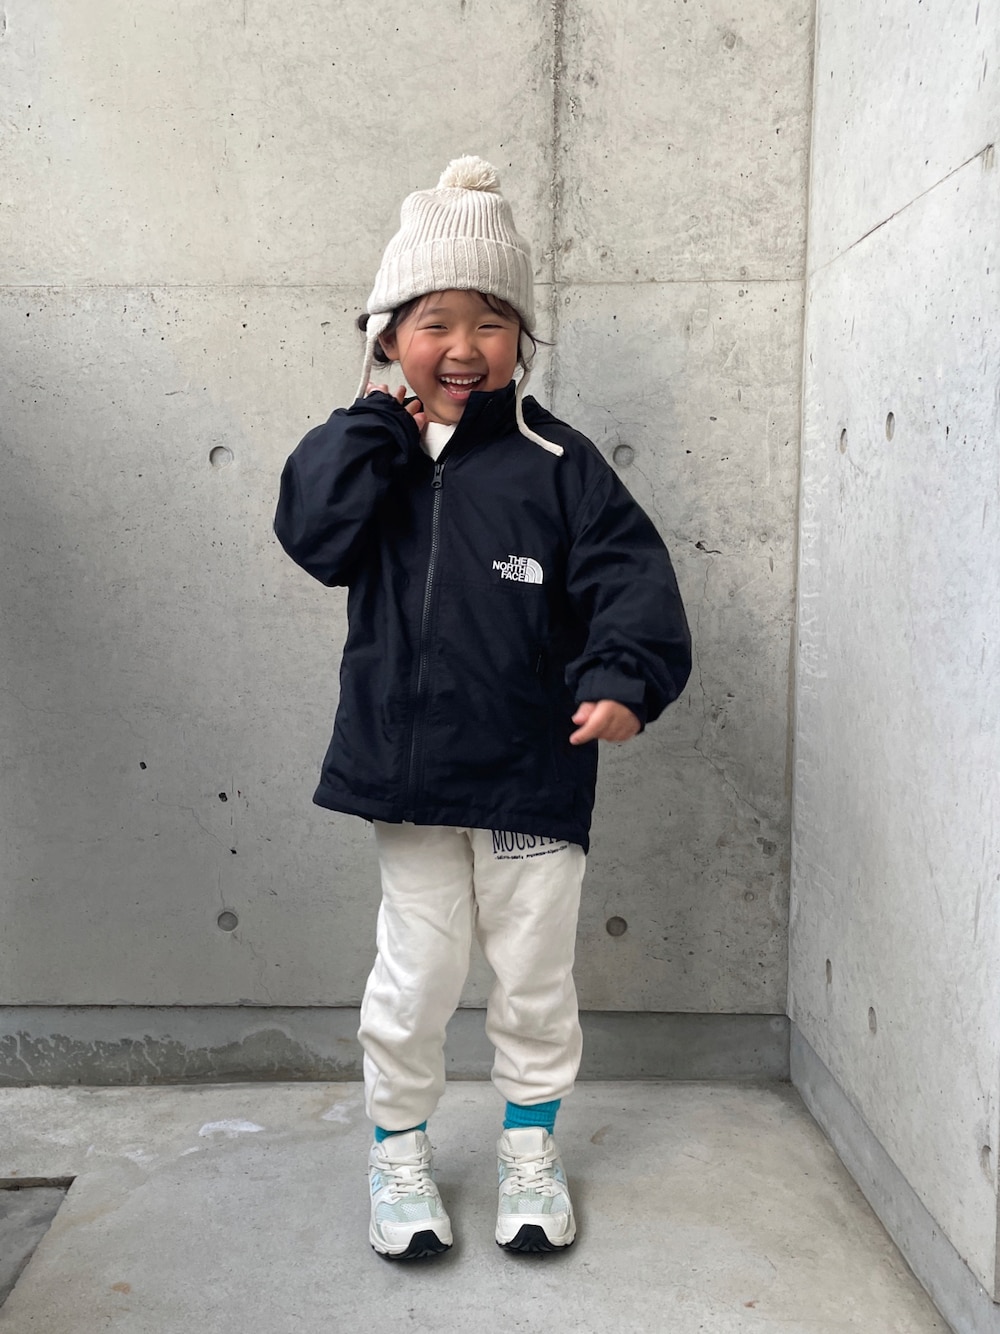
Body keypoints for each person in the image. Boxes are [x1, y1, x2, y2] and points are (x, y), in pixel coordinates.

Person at [274, 156, 691, 1260]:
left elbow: (630, 578)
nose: (465, 347)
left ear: (522, 339)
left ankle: (529, 1152)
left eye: (491, 322)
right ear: (388, 335)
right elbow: (314, 534)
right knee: (412, 983)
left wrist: (623, 678)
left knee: (534, 982)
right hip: (410, 782)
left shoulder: (559, 462)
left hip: (532, 778)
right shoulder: (371, 453)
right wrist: (377, 425)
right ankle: (398, 1156)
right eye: (436, 322)